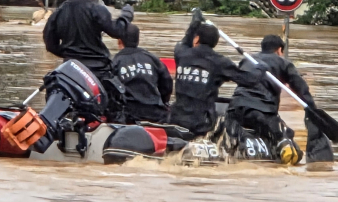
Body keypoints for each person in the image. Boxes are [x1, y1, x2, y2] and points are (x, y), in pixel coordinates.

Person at [169, 10, 265, 138]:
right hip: (202, 123)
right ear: (215, 43)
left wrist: (194, 24)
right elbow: (249, 80)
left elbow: (185, 42)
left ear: (196, 39)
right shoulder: (220, 62)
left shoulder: (181, 53)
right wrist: (260, 68)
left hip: (176, 118)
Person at [226, 34, 314, 164]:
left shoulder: (247, 60)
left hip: (234, 109)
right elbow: (302, 89)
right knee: (286, 136)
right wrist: (312, 109)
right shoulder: (283, 63)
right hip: (261, 112)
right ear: (279, 50)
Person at [43, 0, 134, 80]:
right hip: (97, 70)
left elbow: (50, 44)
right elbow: (117, 31)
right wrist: (126, 15)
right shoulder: (96, 9)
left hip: (70, 69)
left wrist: (69, 53)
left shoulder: (58, 12)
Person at [113, 24, 173, 124]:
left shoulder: (115, 62)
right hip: (156, 114)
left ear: (119, 41)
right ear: (138, 40)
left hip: (130, 115)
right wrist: (164, 102)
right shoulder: (153, 59)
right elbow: (167, 84)